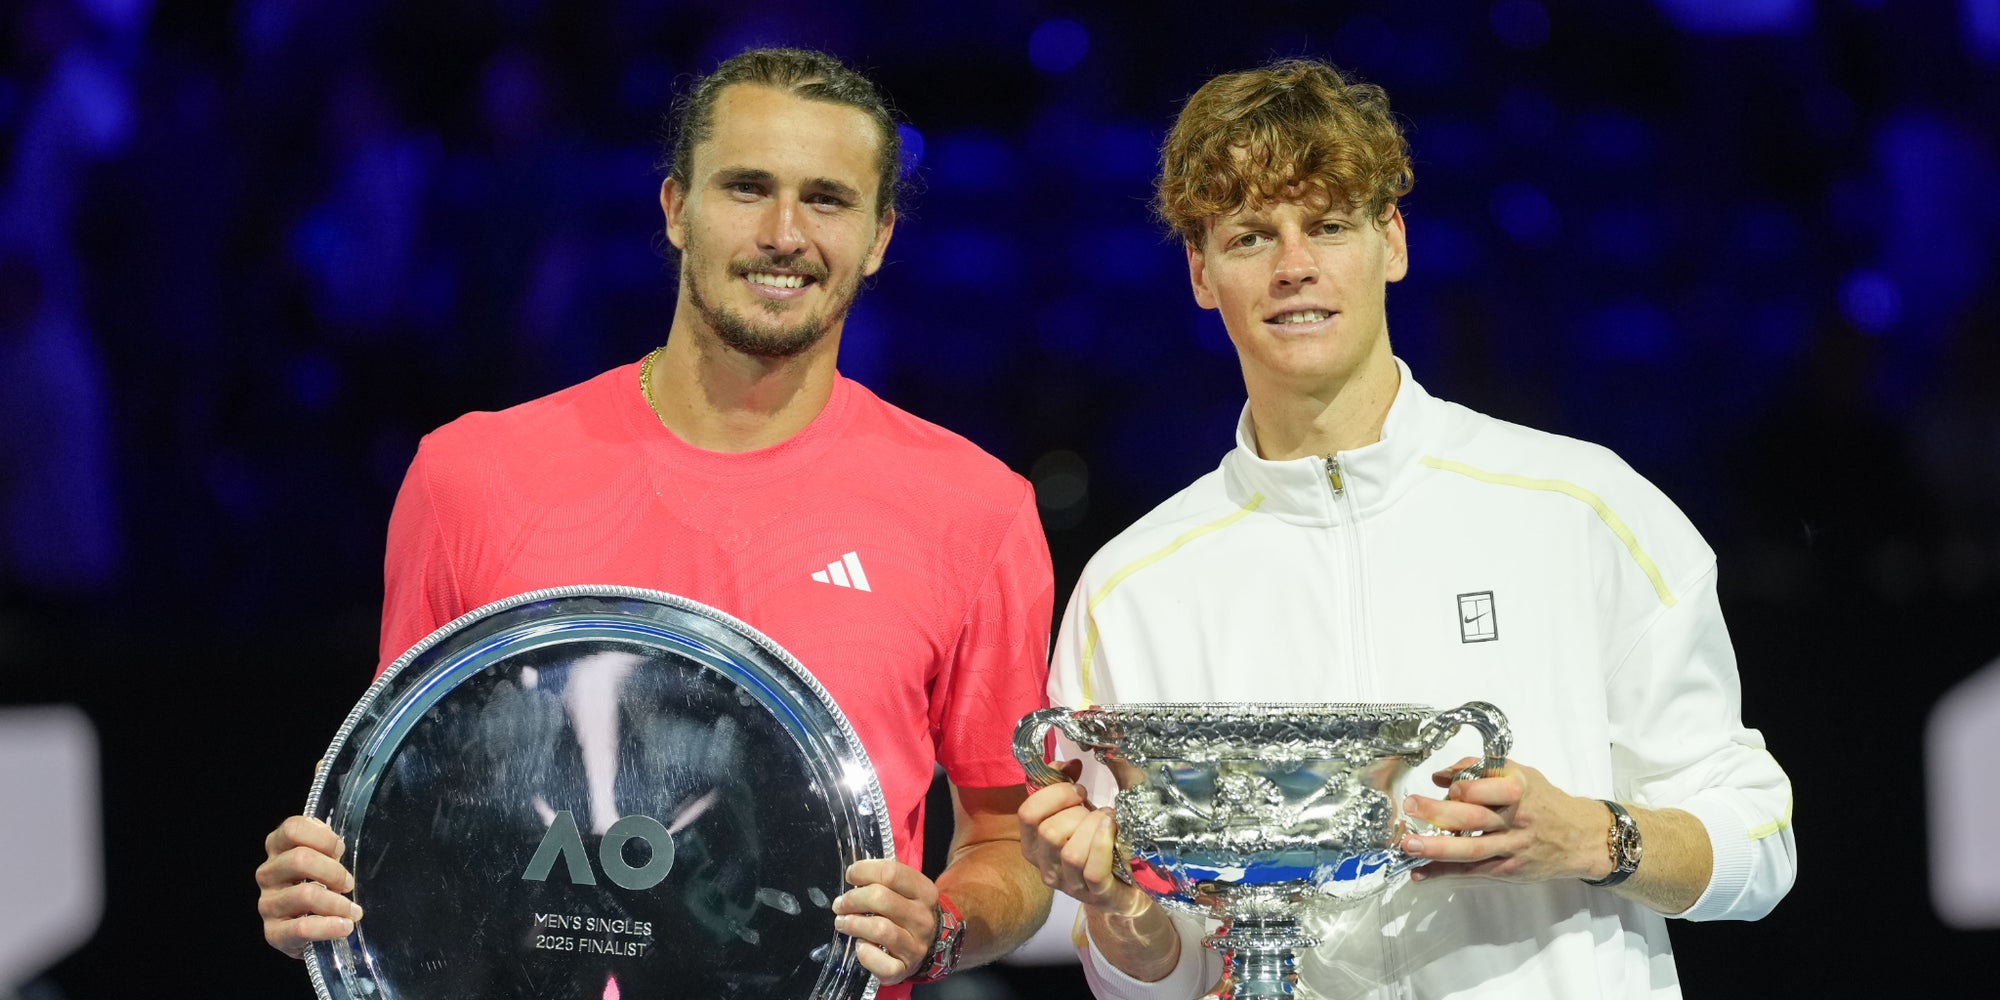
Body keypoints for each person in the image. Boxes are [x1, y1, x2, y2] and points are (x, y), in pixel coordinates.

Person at [254, 47, 1055, 995]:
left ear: (881, 236)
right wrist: (324, 886)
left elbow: (1007, 837)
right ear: (676, 208)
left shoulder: (975, 509)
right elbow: (411, 800)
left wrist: (945, 926)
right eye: (747, 188)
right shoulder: (469, 476)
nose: (785, 232)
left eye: (828, 200)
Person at [1019, 58, 1796, 999]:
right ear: (1199, 272)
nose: (1294, 265)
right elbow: (1152, 974)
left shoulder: (1581, 506)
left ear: (1392, 240)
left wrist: (1588, 836)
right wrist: (1114, 909)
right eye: (1251, 235)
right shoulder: (1133, 586)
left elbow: (1759, 849)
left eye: (1330, 225)